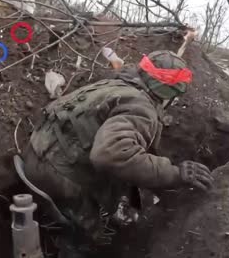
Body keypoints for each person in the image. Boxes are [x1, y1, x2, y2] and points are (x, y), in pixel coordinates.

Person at [21, 50, 214, 257]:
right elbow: (111, 155)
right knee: (90, 245)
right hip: (60, 180)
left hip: (34, 157)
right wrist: (174, 174)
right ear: (168, 93)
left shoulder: (113, 86)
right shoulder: (140, 107)